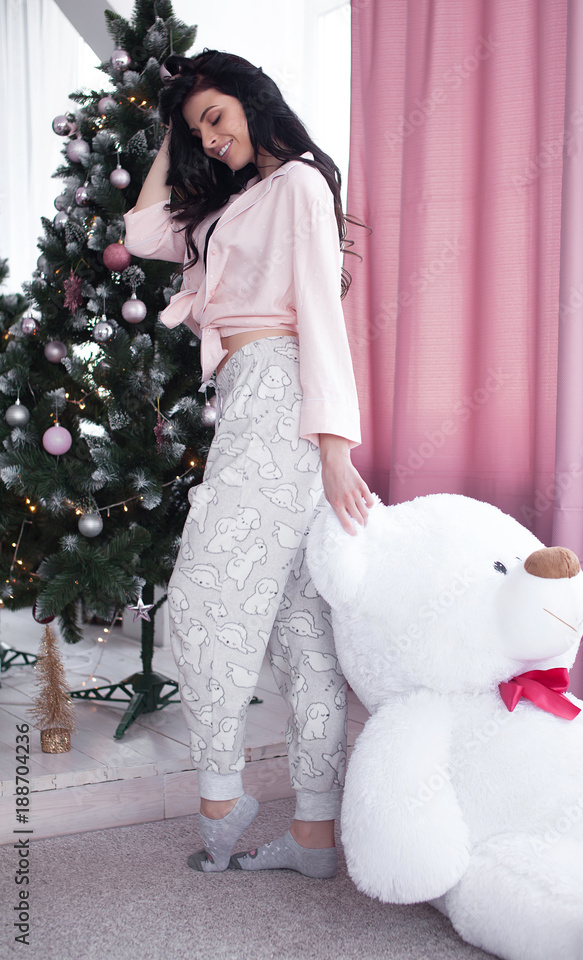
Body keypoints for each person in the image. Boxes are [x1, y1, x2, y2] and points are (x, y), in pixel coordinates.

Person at [122, 49, 373, 878]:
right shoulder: (230, 203)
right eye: (198, 129)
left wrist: (333, 446)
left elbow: (318, 314)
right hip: (248, 397)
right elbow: (143, 231)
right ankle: (314, 834)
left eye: (216, 117)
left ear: (252, 100)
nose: (210, 139)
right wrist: (173, 127)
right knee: (301, 626)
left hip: (277, 394)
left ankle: (223, 797)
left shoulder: (297, 184)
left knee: (203, 599)